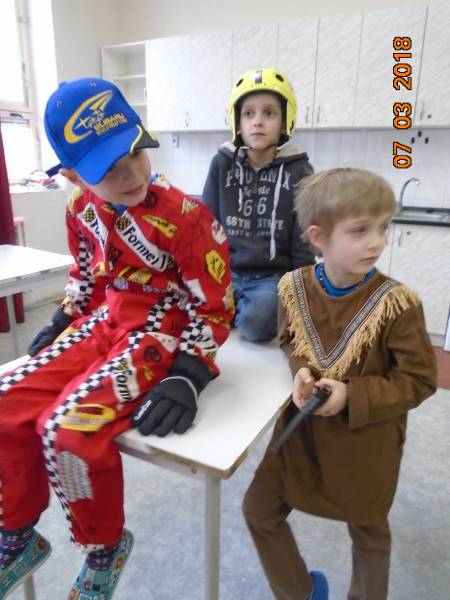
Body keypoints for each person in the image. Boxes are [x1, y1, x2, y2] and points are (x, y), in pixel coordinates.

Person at [0, 77, 234, 600]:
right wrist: (64, 318)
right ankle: (17, 534)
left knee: (68, 427)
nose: (132, 174)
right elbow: (86, 277)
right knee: (5, 402)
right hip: (104, 323)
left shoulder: (187, 217)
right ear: (72, 175)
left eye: (136, 153)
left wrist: (190, 373)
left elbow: (215, 305)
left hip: (160, 334)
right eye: (108, 168)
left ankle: (104, 547)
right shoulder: (79, 210)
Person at [242, 168, 437, 600]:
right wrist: (300, 370)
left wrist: (353, 394)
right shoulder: (293, 287)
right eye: (360, 230)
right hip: (300, 436)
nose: (376, 242)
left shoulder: (398, 304)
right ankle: (300, 592)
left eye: (383, 227)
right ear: (319, 237)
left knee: (370, 533)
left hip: (364, 445)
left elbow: (420, 379)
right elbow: (290, 340)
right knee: (258, 509)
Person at [202, 68, 315, 343]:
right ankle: (233, 309)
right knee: (192, 312)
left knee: (256, 324)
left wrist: (303, 291)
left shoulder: (300, 171)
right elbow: (206, 225)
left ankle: (240, 312)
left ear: (285, 121)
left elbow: (303, 238)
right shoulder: (221, 164)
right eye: (249, 114)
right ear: (237, 122)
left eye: (269, 113)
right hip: (225, 273)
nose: (258, 122)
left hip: (271, 278)